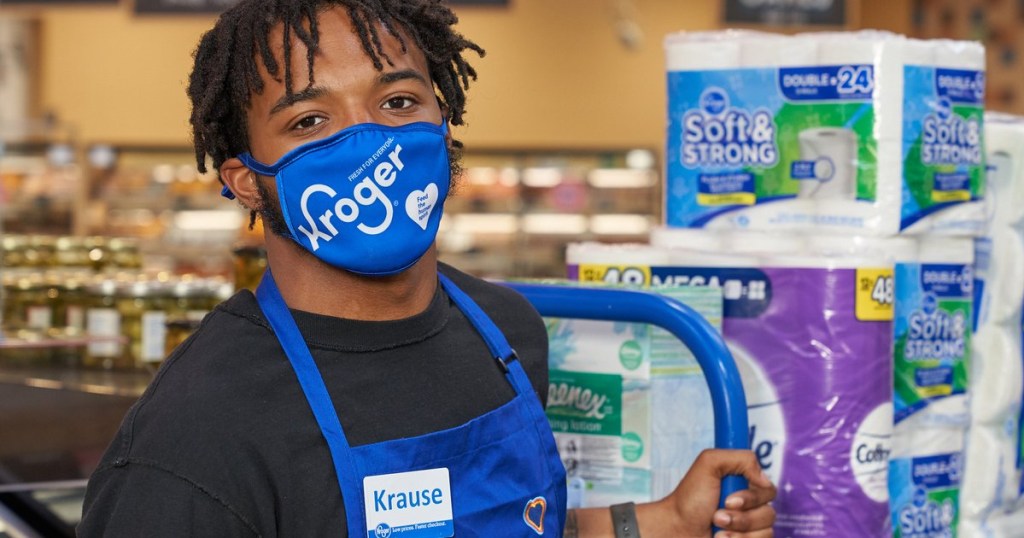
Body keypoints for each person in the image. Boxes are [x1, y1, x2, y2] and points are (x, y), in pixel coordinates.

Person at [79, 1, 776, 536]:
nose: (371, 141)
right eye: (309, 122)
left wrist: (657, 521)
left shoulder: (505, 332)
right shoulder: (194, 442)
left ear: (444, 126)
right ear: (246, 181)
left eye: (397, 102)